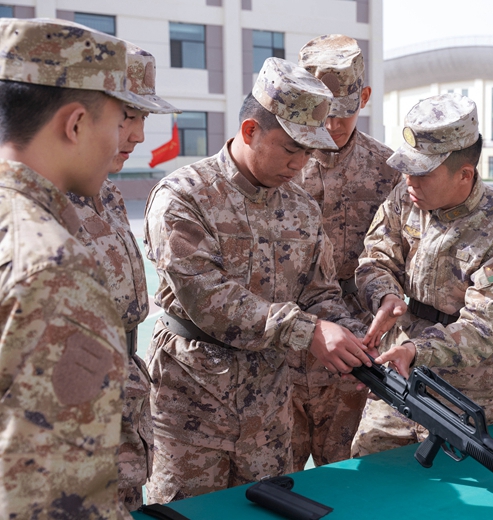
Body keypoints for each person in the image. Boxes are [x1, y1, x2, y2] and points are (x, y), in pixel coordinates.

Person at [143, 57, 371, 502]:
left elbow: (319, 292)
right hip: (193, 405)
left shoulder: (301, 207)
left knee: (267, 507)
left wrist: (355, 343)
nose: (300, 163)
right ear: (250, 131)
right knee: (188, 513)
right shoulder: (184, 196)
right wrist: (308, 331)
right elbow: (208, 299)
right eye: (291, 149)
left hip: (267, 409)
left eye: (309, 152)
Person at [0, 18, 159, 518]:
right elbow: (53, 500)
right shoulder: (53, 268)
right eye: (118, 122)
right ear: (75, 124)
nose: (127, 140)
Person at [350, 92, 493, 457]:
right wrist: (385, 295)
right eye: (407, 168)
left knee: (460, 486)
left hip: (465, 393)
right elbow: (376, 256)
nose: (409, 180)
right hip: (399, 375)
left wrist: (416, 349)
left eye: (422, 172)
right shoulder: (406, 198)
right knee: (371, 470)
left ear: (464, 174)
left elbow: (484, 326)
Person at [67, 44, 180, 511]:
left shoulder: (108, 193)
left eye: (143, 118)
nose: (137, 135)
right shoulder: (33, 205)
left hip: (125, 406)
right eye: (126, 116)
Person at [289, 34, 402, 471]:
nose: (334, 124)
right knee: (273, 479)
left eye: (345, 111)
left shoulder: (388, 170)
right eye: (324, 112)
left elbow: (399, 254)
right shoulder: (279, 162)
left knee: (347, 474)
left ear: (365, 98)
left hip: (355, 347)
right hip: (282, 347)